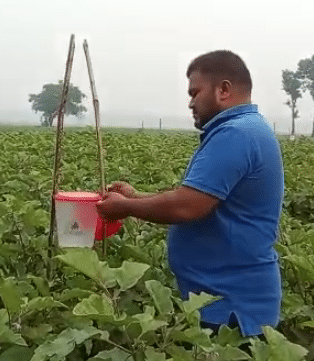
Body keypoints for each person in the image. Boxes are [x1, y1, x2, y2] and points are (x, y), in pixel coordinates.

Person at [96, 50, 284, 337]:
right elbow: (199, 196)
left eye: (195, 92)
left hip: (232, 310)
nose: (191, 102)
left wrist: (126, 208)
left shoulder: (236, 134)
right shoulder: (244, 130)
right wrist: (135, 197)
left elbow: (187, 207)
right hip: (225, 301)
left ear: (223, 89)